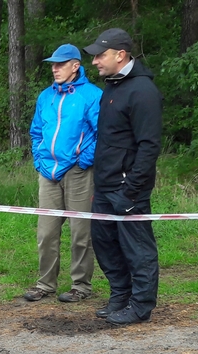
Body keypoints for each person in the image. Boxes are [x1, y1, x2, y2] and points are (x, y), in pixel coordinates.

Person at [84, 28, 163, 325]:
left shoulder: (143, 91)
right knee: (104, 243)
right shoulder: (111, 87)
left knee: (137, 248)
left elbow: (149, 146)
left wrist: (131, 190)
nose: (95, 61)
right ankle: (120, 295)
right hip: (105, 185)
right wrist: (101, 183)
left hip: (129, 189)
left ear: (120, 55)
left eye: (100, 55)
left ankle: (141, 306)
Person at [23, 44, 101, 304]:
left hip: (78, 172)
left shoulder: (92, 95)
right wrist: (39, 160)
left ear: (75, 66)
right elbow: (36, 131)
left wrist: (84, 161)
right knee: (46, 233)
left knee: (81, 233)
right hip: (48, 172)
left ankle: (81, 286)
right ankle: (45, 284)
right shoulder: (46, 96)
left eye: (61, 64)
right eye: (53, 64)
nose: (55, 69)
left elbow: (100, 133)